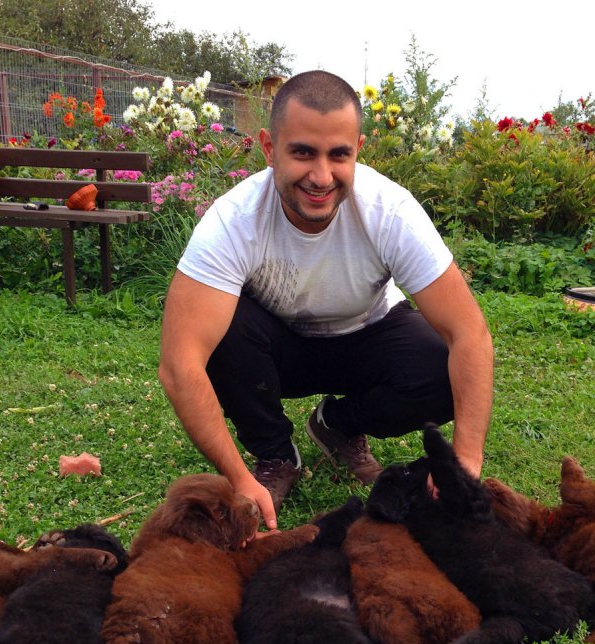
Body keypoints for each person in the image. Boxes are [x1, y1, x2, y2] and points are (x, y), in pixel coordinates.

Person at [159, 70, 494, 532]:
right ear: (268, 148)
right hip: (275, 351)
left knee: (440, 370)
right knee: (221, 334)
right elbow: (180, 365)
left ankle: (337, 423)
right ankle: (276, 454)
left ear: (358, 148)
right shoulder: (232, 221)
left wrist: (465, 459)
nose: (321, 176)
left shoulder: (390, 211)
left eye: (339, 155)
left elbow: (468, 332)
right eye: (302, 152)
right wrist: (237, 478)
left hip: (367, 335)